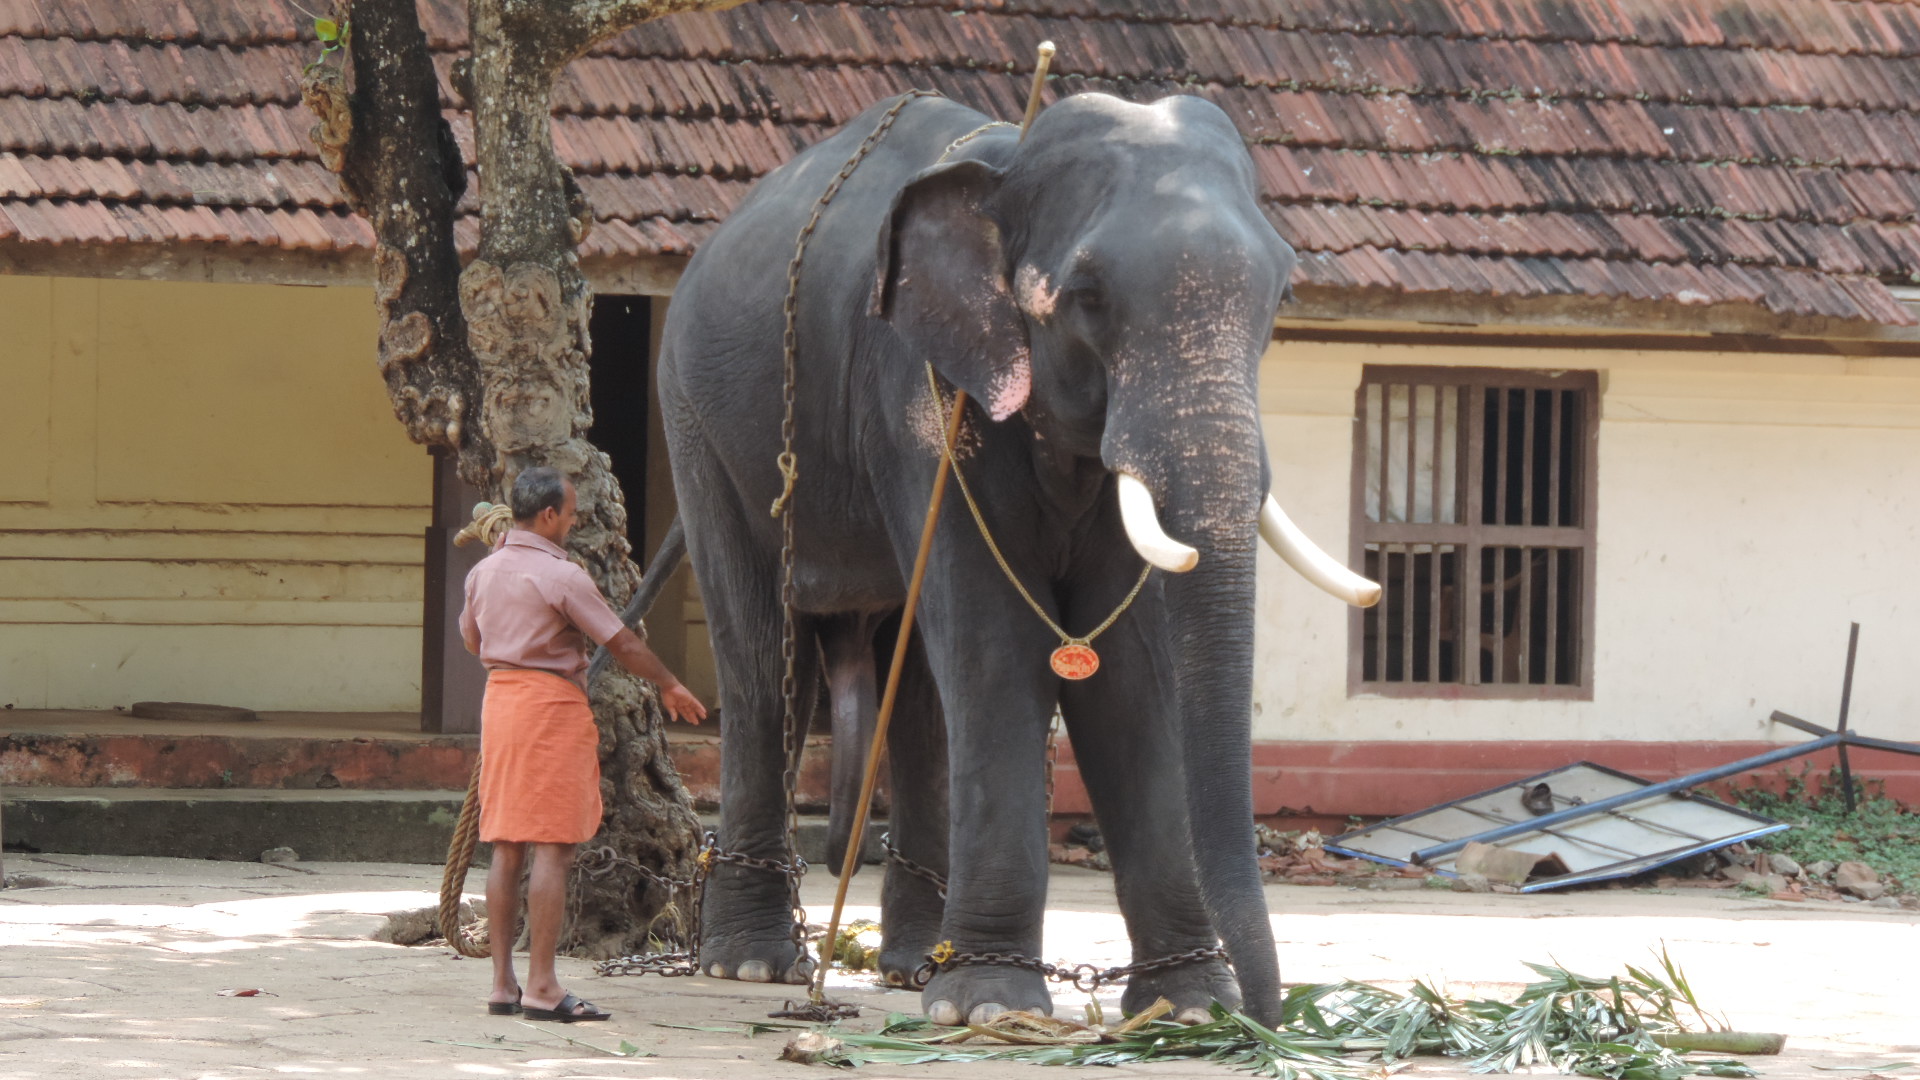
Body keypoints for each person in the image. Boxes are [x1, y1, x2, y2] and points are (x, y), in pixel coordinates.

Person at [459, 466, 707, 1023]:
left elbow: (473, 639)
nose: (572, 523)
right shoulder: (561, 575)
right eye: (569, 514)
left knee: (506, 844)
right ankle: (543, 988)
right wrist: (669, 682)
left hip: (500, 703)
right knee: (552, 845)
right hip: (550, 707)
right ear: (547, 515)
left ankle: (502, 985)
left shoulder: (484, 571)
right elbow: (620, 641)